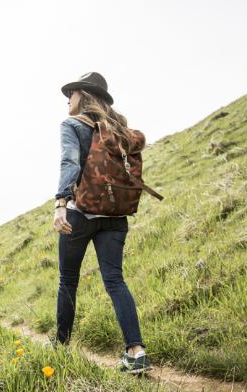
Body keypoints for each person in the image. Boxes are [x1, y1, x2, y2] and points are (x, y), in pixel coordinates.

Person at [51, 71, 152, 374]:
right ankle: (136, 352)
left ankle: (61, 345)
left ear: (83, 95)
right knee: (115, 281)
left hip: (80, 213)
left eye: (72, 93)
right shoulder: (119, 129)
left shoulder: (72, 125)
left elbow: (69, 162)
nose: (68, 99)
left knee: (68, 280)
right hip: (115, 216)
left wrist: (60, 204)